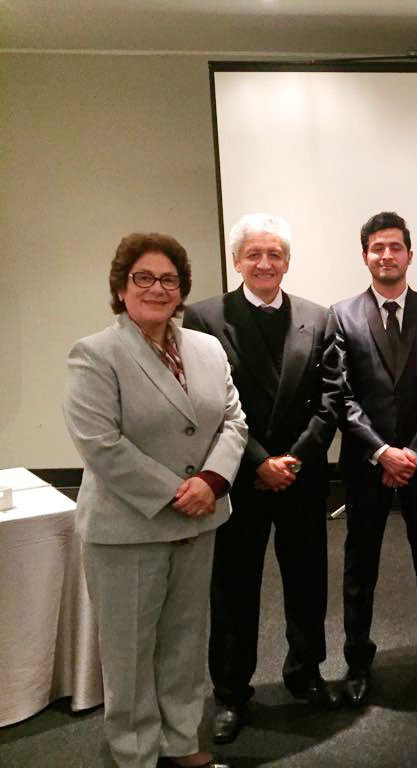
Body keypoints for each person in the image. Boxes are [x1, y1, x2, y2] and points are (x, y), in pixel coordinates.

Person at [64, 233, 246, 768]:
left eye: (169, 279)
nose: (157, 288)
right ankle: (136, 752)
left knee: (185, 643)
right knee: (129, 652)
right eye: (142, 277)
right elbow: (99, 442)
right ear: (121, 288)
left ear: (182, 289)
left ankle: (182, 742)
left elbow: (233, 420)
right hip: (129, 526)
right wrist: (176, 492)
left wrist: (212, 481)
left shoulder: (207, 348)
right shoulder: (95, 353)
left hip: (199, 518)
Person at [183, 213, 339, 743]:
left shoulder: (318, 317)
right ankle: (230, 693)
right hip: (238, 476)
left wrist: (292, 460)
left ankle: (306, 672)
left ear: (287, 262)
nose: (265, 263)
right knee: (233, 586)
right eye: (254, 254)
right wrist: (259, 463)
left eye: (275, 254)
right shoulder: (204, 318)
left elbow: (330, 399)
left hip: (301, 475)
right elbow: (207, 404)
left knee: (307, 580)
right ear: (237, 261)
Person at [322, 211, 417, 706]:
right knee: (359, 566)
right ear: (365, 255)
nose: (386, 255)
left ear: (409, 253)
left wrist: (414, 452)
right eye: (377, 247)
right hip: (367, 465)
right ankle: (357, 663)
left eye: (395, 247)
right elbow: (341, 395)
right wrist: (382, 452)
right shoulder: (341, 315)